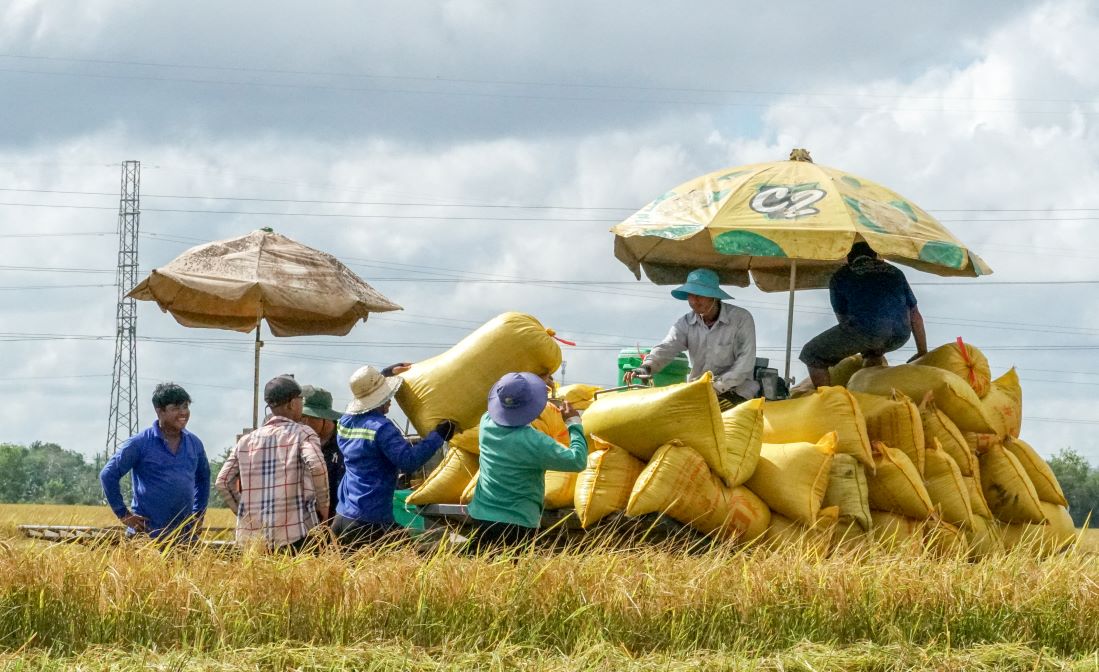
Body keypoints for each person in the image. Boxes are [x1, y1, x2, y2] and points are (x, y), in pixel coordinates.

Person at [332, 364, 458, 548]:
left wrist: (384, 375)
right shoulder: (381, 428)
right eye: (386, 396)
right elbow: (408, 461)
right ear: (377, 400)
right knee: (404, 564)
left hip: (343, 515)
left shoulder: (345, 422)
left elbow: (365, 392)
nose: (390, 400)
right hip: (370, 521)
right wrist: (439, 436)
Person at [467, 372, 588, 550]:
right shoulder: (535, 442)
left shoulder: (486, 423)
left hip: (481, 517)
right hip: (518, 525)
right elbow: (577, 461)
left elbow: (509, 390)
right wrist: (574, 423)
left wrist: (534, 381)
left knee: (482, 573)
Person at [215, 375, 329, 553]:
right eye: (300, 400)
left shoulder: (246, 441)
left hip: (254, 541)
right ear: (291, 404)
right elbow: (316, 466)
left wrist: (243, 511)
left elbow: (222, 481)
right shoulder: (303, 434)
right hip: (295, 534)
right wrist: (323, 507)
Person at [800, 241, 928, 388]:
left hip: (869, 331)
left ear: (848, 258)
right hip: (901, 334)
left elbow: (843, 319)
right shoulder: (895, 272)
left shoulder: (841, 275)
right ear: (875, 256)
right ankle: (869, 393)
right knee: (872, 353)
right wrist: (922, 351)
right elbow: (915, 314)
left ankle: (829, 402)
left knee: (811, 354)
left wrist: (852, 342)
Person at [625, 267, 759, 406]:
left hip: (735, 392)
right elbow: (668, 346)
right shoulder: (686, 323)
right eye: (690, 295)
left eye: (699, 295)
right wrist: (647, 366)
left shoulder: (741, 319)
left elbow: (745, 363)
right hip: (699, 392)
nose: (694, 301)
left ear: (714, 296)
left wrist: (716, 387)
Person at [100, 383, 210, 542]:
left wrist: (199, 515)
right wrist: (124, 515)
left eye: (185, 407)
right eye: (175, 408)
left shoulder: (194, 444)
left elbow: (203, 478)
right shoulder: (140, 443)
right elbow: (108, 475)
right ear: (159, 411)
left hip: (185, 536)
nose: (182, 413)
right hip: (147, 535)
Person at [299, 384, 344, 524]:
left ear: (324, 417)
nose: (303, 422)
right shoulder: (299, 443)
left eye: (308, 417)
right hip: (308, 520)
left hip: (340, 519)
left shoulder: (345, 442)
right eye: (300, 417)